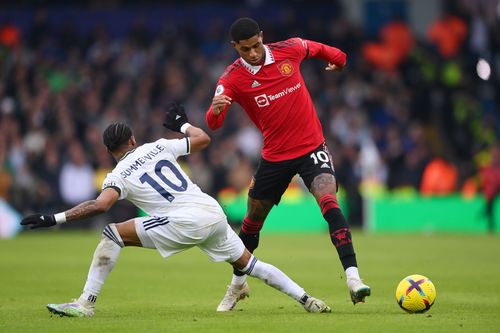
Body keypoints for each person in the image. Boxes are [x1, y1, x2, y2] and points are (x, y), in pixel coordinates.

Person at [20, 103, 331, 317]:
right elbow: (203, 139)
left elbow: (101, 205)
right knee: (250, 264)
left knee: (112, 233)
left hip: (184, 220)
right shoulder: (157, 146)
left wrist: (54, 217)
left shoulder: (116, 175)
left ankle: (85, 303)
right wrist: (182, 123)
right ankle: (307, 300)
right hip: (211, 210)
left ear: (108, 151)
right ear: (132, 139)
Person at [206, 17, 370, 311]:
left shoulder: (289, 49)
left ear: (262, 37)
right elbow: (213, 123)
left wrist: (339, 61)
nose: (253, 53)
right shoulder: (231, 79)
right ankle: (237, 285)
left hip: (311, 148)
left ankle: (353, 278)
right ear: (235, 48)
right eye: (245, 50)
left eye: (256, 45)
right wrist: (215, 112)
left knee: (329, 202)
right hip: (275, 157)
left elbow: (324, 50)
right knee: (252, 221)